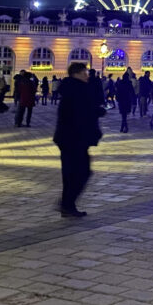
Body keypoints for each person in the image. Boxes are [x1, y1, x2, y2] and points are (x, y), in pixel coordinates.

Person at [53, 62, 104, 217]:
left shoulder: (70, 88)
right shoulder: (79, 90)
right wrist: (98, 111)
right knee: (82, 172)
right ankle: (66, 204)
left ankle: (67, 206)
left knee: (70, 174)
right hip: (75, 137)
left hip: (67, 137)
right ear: (76, 74)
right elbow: (83, 113)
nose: (87, 75)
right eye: (84, 73)